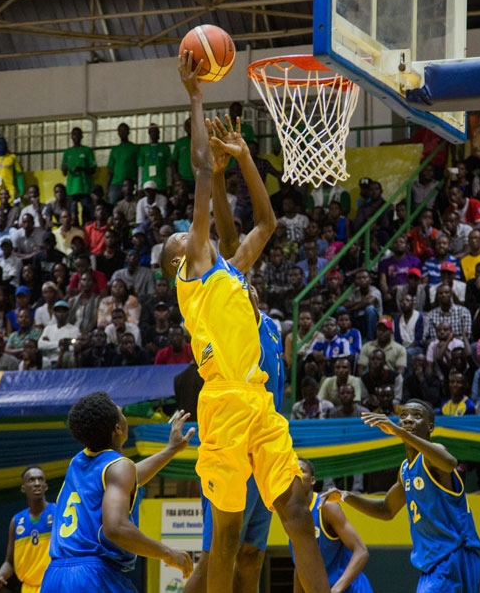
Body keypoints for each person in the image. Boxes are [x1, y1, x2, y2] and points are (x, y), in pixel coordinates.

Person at [160, 52, 329, 593]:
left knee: (296, 513)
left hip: (258, 403)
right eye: (180, 239)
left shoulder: (229, 271)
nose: (187, 235)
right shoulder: (195, 276)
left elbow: (267, 221)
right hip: (224, 406)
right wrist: (194, 97)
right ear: (177, 261)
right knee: (225, 543)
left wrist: (244, 158)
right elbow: (200, 183)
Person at [40, 392, 194, 591]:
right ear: (118, 428)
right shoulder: (119, 468)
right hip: (91, 577)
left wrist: (170, 450)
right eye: (121, 412)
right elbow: (116, 528)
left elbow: (128, 480)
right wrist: (168, 553)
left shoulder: (78, 462)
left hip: (55, 576)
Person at [325, 401, 480, 591]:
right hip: (433, 564)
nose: (408, 419)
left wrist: (400, 432)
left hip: (454, 555)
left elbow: (450, 463)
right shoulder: (406, 469)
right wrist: (346, 496)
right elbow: (386, 509)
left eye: (416, 416)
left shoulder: (433, 455)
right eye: (404, 415)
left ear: (430, 427)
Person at [292, 458, 372, 593]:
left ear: (312, 480)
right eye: (292, 471)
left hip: (350, 588)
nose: (296, 474)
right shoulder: (292, 515)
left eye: (301, 470)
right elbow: (300, 565)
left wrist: (336, 590)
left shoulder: (326, 507)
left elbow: (361, 551)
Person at [0, 466, 55, 593]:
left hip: (54, 585)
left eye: (40, 479)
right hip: (28, 588)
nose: (37, 483)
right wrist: (0, 576)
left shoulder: (58, 513)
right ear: (23, 488)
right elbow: (9, 563)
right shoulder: (17, 521)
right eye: (31, 480)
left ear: (45, 486)